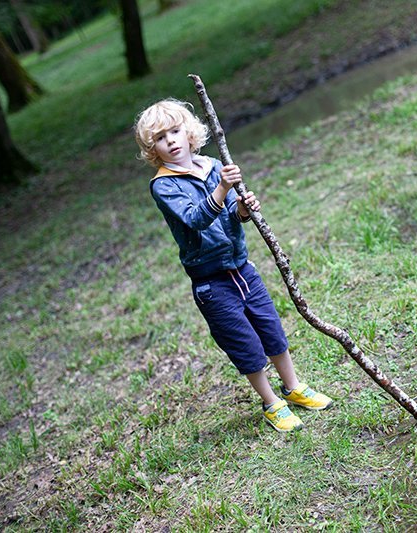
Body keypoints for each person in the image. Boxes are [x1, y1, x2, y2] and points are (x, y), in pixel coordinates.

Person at [134, 98, 331, 432]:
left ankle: (293, 386)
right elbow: (196, 219)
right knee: (245, 344)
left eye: (175, 131)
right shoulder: (164, 185)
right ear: (153, 149)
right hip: (212, 283)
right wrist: (224, 187)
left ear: (189, 132)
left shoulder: (211, 165)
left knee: (271, 329)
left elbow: (227, 218)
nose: (170, 140)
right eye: (160, 138)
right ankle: (271, 402)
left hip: (242, 268)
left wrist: (241, 209)